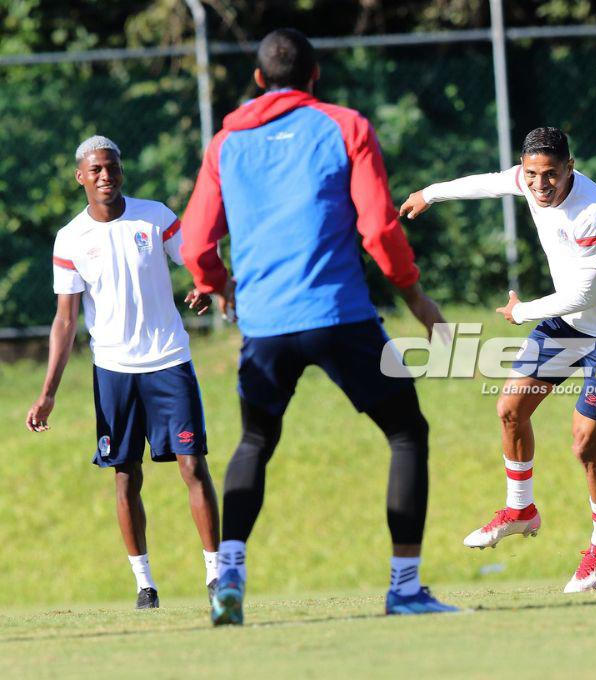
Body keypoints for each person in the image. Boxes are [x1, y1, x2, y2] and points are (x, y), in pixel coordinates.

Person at [180, 28, 456, 623]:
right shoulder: (345, 126)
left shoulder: (225, 142)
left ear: (258, 79)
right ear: (315, 75)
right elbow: (380, 229)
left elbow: (197, 240)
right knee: (406, 432)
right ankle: (405, 588)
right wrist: (416, 299)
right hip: (339, 315)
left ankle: (229, 574)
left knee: (255, 441)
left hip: (265, 324)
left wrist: (215, 285)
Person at [401, 127, 596, 593]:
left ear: (570, 168)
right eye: (531, 175)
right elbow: (490, 182)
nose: (539, 186)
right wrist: (430, 194)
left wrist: (522, 312)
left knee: (586, 445)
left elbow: (584, 294)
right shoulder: (528, 178)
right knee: (510, 408)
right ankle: (520, 508)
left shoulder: (594, 214)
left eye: (550, 175)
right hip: (568, 322)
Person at [26, 135, 221, 609]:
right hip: (114, 370)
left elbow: (195, 258)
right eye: (95, 170)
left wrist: (204, 283)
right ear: (80, 178)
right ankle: (144, 585)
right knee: (125, 476)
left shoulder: (153, 216)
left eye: (111, 167)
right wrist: (48, 392)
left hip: (169, 360)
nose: (105, 176)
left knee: (193, 466)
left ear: (121, 170)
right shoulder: (71, 238)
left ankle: (218, 575)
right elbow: (66, 320)